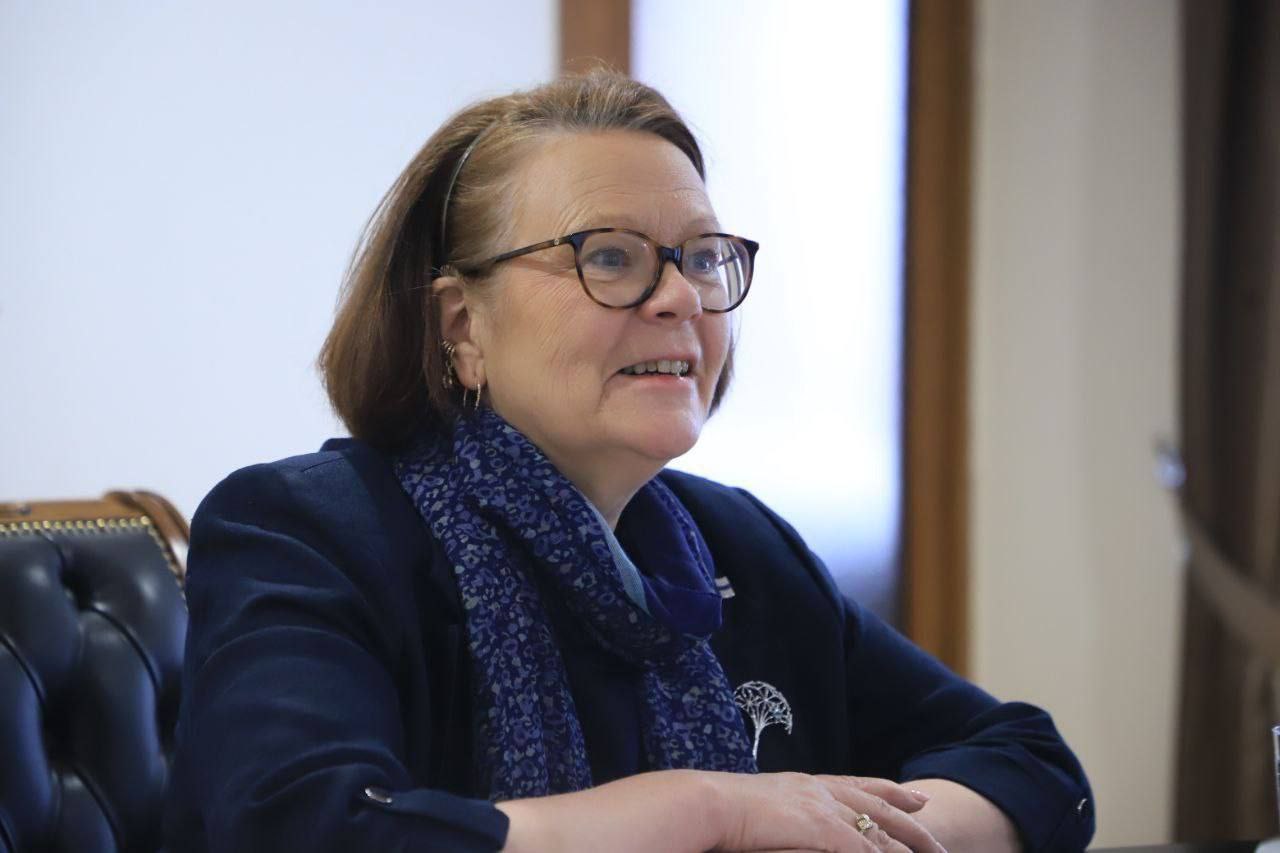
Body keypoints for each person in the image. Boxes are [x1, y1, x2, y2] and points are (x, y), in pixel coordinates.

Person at [163, 72, 1094, 853]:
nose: (680, 296)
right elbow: (310, 827)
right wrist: (714, 809)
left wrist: (840, 832)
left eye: (702, 257)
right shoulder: (305, 530)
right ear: (463, 326)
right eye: (609, 257)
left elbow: (1033, 765)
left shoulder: (738, 541)